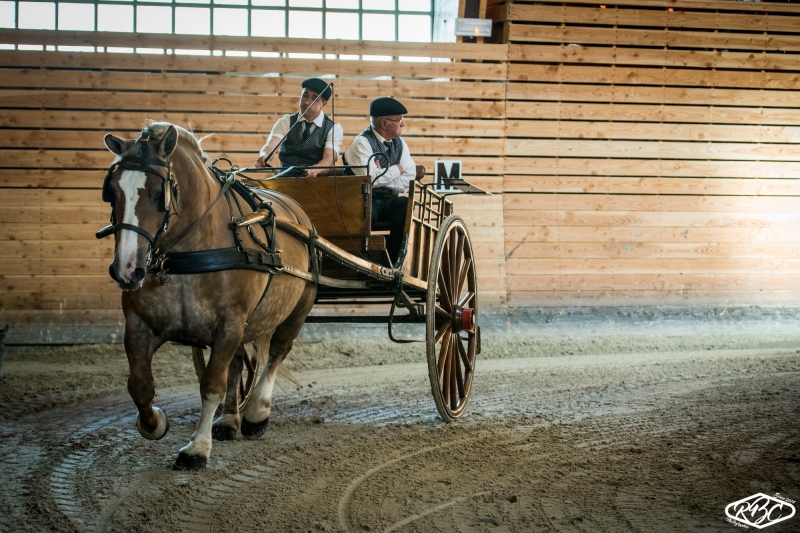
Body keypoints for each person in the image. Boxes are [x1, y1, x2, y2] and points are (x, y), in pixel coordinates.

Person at [344, 97, 416, 263]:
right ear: (384, 123)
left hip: (390, 199)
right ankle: (362, 261)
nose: (402, 124)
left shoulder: (401, 144)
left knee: (405, 206)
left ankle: (395, 261)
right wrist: (398, 168)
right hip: (363, 199)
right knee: (364, 212)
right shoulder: (362, 142)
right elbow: (371, 179)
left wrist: (382, 173)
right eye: (399, 120)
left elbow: (408, 178)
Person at [255, 78, 343, 177]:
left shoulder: (334, 128)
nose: (307, 102)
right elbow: (270, 145)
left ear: (323, 104)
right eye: (305, 96)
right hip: (285, 180)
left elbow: (329, 158)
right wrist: (264, 156)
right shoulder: (286, 121)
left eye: (314, 99)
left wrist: (315, 170)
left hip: (317, 182)